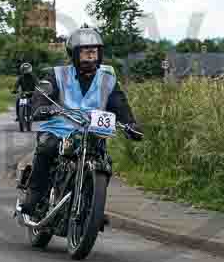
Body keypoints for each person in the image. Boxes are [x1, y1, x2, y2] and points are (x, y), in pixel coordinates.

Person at [20, 28, 143, 215]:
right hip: (60, 127)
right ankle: (34, 194)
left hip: (92, 130)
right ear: (75, 54)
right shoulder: (58, 74)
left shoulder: (107, 77)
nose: (91, 55)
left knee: (104, 161)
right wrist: (41, 106)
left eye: (94, 51)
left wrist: (130, 123)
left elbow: (118, 102)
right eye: (86, 51)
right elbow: (43, 92)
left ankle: (92, 206)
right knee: (47, 148)